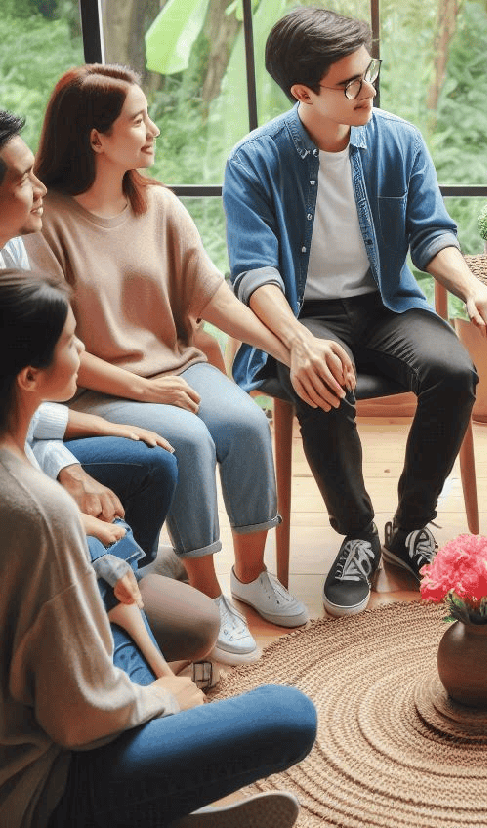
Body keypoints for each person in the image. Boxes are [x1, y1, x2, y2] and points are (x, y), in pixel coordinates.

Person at [0, 267, 316, 828]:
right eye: (71, 342)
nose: (82, 351)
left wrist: (107, 588)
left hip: (37, 704)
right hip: (41, 786)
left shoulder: (26, 484)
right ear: (29, 376)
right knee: (290, 715)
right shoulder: (38, 512)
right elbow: (77, 719)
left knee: (128, 598)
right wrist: (165, 696)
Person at [224, 6, 487, 617]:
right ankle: (357, 534)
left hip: (384, 302)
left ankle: (409, 528)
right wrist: (298, 342)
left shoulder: (399, 140)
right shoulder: (254, 161)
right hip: (306, 311)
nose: (369, 89)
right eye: (350, 83)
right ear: (303, 92)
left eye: (369, 71)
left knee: (455, 372)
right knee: (321, 377)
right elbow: (254, 273)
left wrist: (473, 289)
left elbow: (430, 234)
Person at [24, 65, 309, 668]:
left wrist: (291, 347)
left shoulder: (159, 205)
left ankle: (250, 576)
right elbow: (60, 347)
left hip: (175, 365)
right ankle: (207, 595)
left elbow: (212, 298)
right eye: (137, 120)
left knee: (245, 423)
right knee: (187, 438)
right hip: (101, 384)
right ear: (95, 138)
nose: (152, 129)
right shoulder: (47, 225)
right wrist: (143, 389)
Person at [0, 107, 219, 667]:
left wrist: (78, 455)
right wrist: (70, 487)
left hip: (31, 446)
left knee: (153, 457)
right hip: (25, 485)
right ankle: (113, 597)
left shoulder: (14, 250)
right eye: (23, 179)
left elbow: (19, 411)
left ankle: (128, 575)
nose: (39, 186)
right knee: (197, 624)